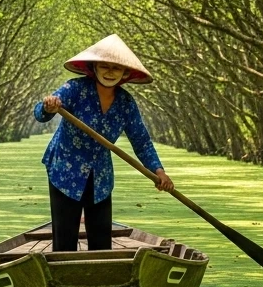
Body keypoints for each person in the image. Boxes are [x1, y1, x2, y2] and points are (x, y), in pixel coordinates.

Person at [33, 35, 173, 252]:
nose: (109, 72)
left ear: (125, 73)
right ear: (94, 68)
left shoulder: (126, 103)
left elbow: (142, 141)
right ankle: (64, 277)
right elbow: (40, 114)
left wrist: (159, 171)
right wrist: (48, 106)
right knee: (64, 238)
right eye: (104, 66)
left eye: (116, 68)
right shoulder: (75, 89)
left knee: (100, 238)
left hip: (100, 174)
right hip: (65, 169)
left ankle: (100, 274)